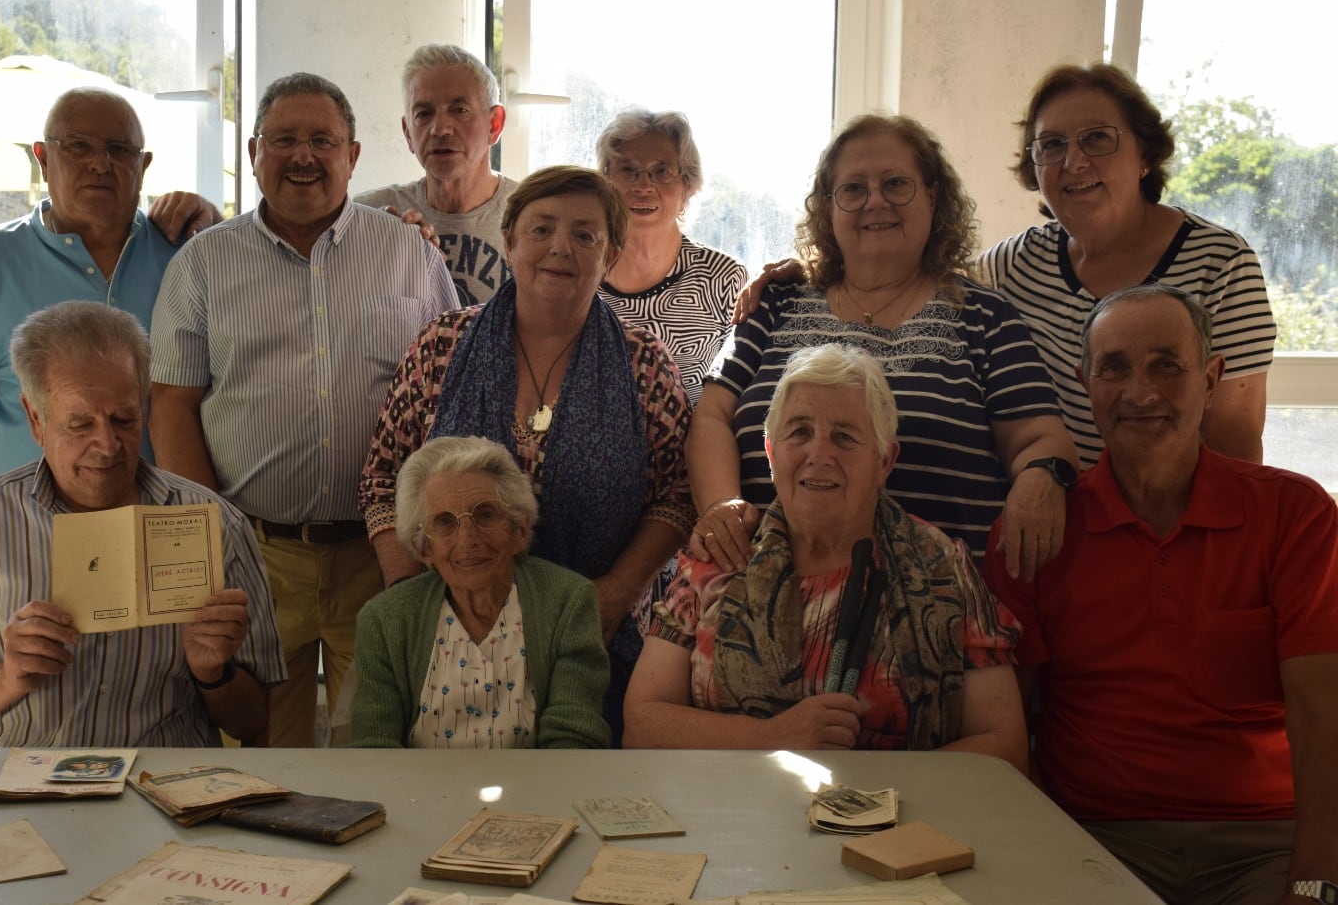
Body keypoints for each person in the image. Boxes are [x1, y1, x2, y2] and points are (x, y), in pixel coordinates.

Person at [984, 285, 1338, 905]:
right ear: (1085, 383)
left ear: (1211, 378)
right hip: (1095, 841)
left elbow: (1323, 715)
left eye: (1166, 365)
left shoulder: (1295, 515)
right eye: (1114, 368)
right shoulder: (1038, 530)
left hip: (1267, 840)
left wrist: (1315, 884)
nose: (1140, 392)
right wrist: (1046, 854)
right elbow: (1009, 727)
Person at [149, 72, 458, 747]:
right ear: (255, 152)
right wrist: (213, 542)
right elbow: (172, 403)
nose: (304, 155)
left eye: (323, 139)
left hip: (381, 555)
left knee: (381, 743)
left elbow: (446, 398)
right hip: (258, 556)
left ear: (352, 154)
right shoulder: (203, 264)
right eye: (284, 139)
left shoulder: (410, 255)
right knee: (260, 754)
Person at [359, 165, 696, 743]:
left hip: (597, 632)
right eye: (541, 229)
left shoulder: (642, 363)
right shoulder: (442, 346)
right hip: (451, 627)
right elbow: (383, 478)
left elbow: (679, 491)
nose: (560, 248)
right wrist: (411, 595)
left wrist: (614, 594)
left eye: (585, 235)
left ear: (610, 254)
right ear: (509, 240)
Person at [689, 114, 1076, 581]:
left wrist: (1041, 478)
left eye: (896, 184)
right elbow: (711, 416)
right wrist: (721, 506)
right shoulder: (773, 303)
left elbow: (1041, 440)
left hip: (939, 610)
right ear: (828, 208)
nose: (875, 201)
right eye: (853, 189)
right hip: (763, 600)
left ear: (933, 197)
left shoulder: (985, 317)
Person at [0, 301, 282, 748]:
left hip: (158, 791)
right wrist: (7, 677)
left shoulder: (214, 523)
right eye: (79, 423)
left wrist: (215, 673)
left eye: (124, 419)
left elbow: (253, 721)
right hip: (11, 789)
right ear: (35, 419)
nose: (108, 445)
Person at [624, 344, 1027, 769]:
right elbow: (642, 724)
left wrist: (867, 791)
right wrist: (773, 738)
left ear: (884, 461)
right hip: (730, 819)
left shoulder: (943, 565)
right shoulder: (719, 556)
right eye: (798, 432)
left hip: (897, 824)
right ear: (771, 453)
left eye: (844, 436)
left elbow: (1004, 744)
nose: (818, 454)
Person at [0, 86, 222, 519]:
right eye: (78, 146)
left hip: (167, 537)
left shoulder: (184, 252)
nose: (100, 164)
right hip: (33, 539)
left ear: (143, 165)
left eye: (119, 149)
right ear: (42, 159)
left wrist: (214, 219)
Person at [976, 63, 1277, 468]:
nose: (1073, 161)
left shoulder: (1220, 264)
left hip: (1166, 523)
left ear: (1145, 156)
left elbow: (1233, 450)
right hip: (1047, 516)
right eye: (1051, 145)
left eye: (1097, 138)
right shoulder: (1008, 267)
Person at [350, 436, 611, 749]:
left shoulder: (567, 601)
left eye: (485, 514)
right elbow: (375, 747)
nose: (468, 540)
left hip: (538, 790)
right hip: (417, 794)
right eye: (445, 522)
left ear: (520, 530)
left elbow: (574, 738)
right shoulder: (384, 619)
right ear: (424, 549)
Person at [596, 109, 746, 406]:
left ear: (687, 187)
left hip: (693, 450)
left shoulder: (725, 278)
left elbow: (737, 396)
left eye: (661, 171)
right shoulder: (578, 274)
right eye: (628, 170)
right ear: (606, 182)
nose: (643, 186)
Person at [357, 44, 515, 305]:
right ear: (408, 133)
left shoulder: (533, 215)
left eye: (459, 110)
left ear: (494, 124)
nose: (440, 128)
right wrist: (374, 248)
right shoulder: (370, 216)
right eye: (423, 114)